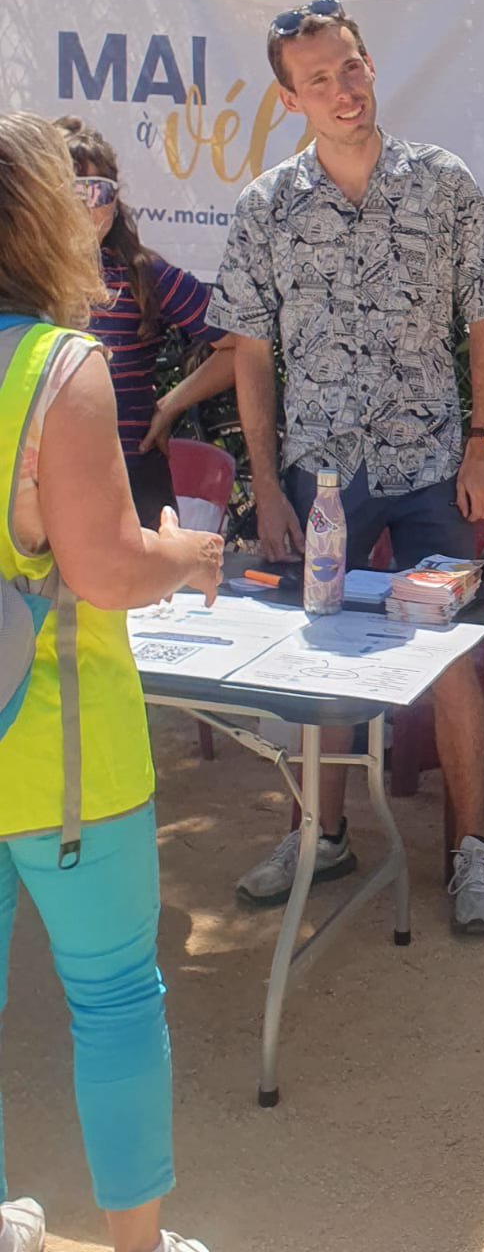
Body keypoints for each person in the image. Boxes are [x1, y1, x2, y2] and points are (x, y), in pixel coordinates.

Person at [206, 0, 484, 932]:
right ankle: (320, 837)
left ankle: (470, 852)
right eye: (319, 79)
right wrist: (266, 487)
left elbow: (483, 316)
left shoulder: (444, 185)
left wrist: (482, 444)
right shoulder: (266, 209)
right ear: (290, 99)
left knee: (451, 658)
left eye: (351, 67)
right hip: (321, 475)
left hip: (430, 467)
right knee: (319, 657)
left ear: (371, 66)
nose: (343, 90)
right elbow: (252, 354)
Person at [0, 112, 224, 1252]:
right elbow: (106, 568)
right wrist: (186, 551)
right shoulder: (59, 364)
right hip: (62, 756)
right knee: (117, 998)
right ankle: (139, 1245)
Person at [54, 118, 236, 528]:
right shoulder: (18, 280)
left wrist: (171, 405)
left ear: (115, 200)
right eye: (72, 191)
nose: (87, 205)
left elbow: (240, 344)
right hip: (38, 484)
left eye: (99, 190)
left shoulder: (142, 275)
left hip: (132, 481)